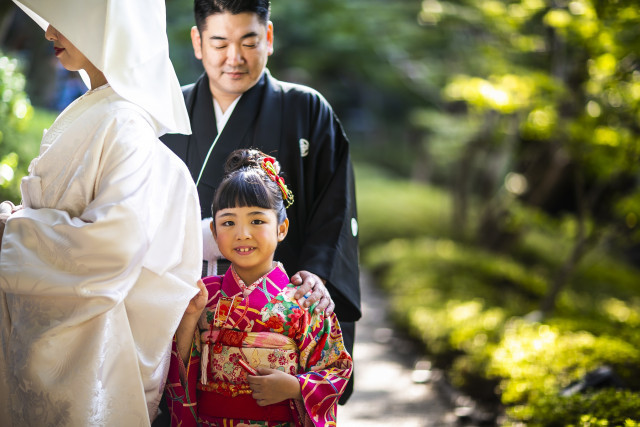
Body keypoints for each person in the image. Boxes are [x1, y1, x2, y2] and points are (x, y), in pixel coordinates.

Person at [0, 1, 202, 425]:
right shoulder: (96, 109)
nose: (49, 32)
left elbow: (112, 246)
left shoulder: (125, 122)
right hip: (55, 335)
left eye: (65, 22)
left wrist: (12, 230)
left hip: (89, 355)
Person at [161, 0, 361, 402]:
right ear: (197, 42)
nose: (234, 58)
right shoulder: (166, 112)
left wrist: (317, 275)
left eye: (249, 41)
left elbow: (334, 211)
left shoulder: (307, 109)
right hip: (189, 306)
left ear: (268, 37)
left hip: (279, 315)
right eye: (219, 43)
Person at [165, 149, 352, 426]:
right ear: (214, 233)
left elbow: (336, 369)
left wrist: (294, 388)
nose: (242, 233)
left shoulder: (305, 299)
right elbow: (178, 369)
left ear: (282, 228)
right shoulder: (204, 295)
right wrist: (190, 318)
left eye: (257, 221)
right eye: (228, 222)